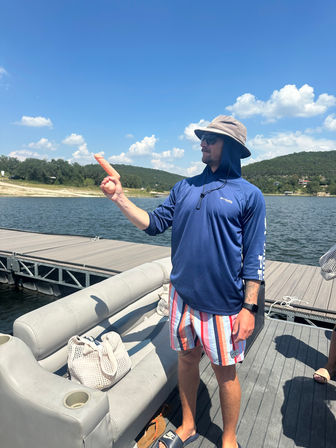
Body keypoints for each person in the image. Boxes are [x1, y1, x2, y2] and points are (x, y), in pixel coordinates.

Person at [100, 115, 266, 448]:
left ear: (231, 147)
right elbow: (153, 223)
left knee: (226, 373)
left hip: (224, 306)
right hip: (182, 298)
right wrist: (119, 198)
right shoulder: (184, 187)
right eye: (202, 137)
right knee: (187, 359)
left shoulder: (250, 195)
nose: (202, 142)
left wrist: (249, 307)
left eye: (211, 138)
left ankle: (229, 438)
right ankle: (188, 424)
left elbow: (254, 259)